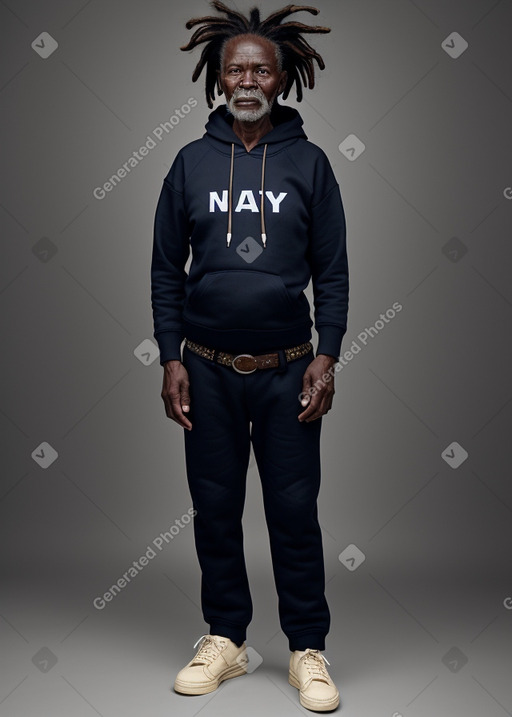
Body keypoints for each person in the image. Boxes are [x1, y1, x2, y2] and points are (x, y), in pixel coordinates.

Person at [150, 1, 349, 711]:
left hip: (288, 367)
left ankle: (306, 647)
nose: (246, 78)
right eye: (235, 66)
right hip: (204, 367)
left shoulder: (311, 165)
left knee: (295, 509)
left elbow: (333, 270)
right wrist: (170, 357)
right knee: (214, 507)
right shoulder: (190, 162)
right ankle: (225, 638)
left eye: (260, 67)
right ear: (217, 76)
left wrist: (329, 353)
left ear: (284, 75)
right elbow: (166, 266)